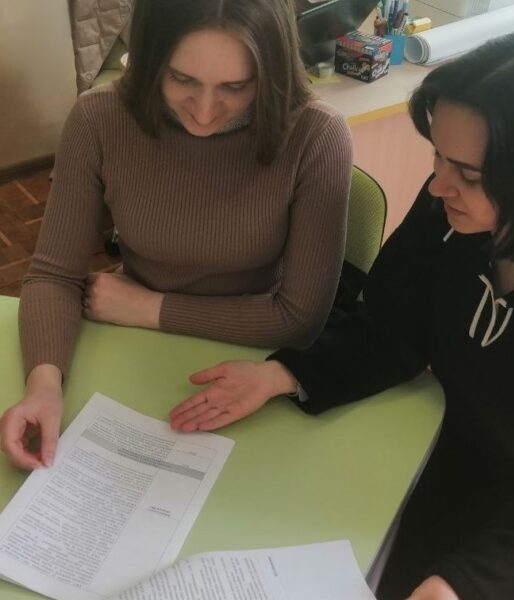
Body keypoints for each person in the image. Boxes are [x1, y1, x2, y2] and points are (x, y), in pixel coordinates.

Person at [167, 31, 514, 600]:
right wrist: (285, 373)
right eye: (437, 156)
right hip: (423, 442)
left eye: (469, 175)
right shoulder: (449, 209)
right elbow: (392, 326)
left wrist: (462, 586)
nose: (438, 185)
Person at [0, 0, 353, 470]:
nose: (204, 113)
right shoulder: (99, 118)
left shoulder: (317, 135)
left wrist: (149, 308)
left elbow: (298, 319)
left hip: (255, 361)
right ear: (149, 60)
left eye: (235, 87)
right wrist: (43, 386)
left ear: (271, 72)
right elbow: (53, 275)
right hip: (133, 346)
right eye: (181, 79)